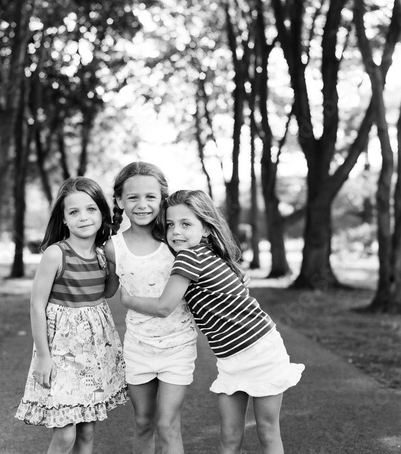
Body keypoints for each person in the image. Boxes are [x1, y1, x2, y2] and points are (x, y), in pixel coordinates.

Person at [120, 189, 305, 454]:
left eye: (186, 224)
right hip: (230, 358)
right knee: (231, 435)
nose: (176, 232)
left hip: (260, 350)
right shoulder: (201, 253)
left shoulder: (190, 256)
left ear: (206, 229)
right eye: (170, 224)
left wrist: (129, 300)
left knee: (266, 429)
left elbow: (164, 307)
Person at [16, 177, 128, 454]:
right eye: (73, 212)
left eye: (91, 209)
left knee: (87, 432)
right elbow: (36, 305)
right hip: (61, 353)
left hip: (93, 354)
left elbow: (108, 291)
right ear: (64, 219)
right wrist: (43, 356)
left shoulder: (103, 256)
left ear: (102, 212)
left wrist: (116, 261)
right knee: (65, 435)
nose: (83, 217)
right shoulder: (56, 254)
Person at [104, 162, 198, 454]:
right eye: (133, 197)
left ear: (162, 199)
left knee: (168, 424)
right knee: (144, 421)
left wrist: (236, 274)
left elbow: (212, 263)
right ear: (120, 201)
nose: (142, 204)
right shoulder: (113, 247)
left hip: (178, 343)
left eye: (150, 197)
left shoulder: (175, 240)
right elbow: (105, 290)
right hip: (138, 347)